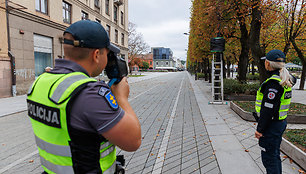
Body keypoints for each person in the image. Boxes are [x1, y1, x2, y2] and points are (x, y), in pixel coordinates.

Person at [27, 20, 141, 174]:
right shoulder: (89, 93)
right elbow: (133, 141)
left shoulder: (40, 83)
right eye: (107, 54)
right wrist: (121, 98)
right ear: (96, 55)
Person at [254, 50, 296, 174]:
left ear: (268, 64)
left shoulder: (273, 83)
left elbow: (267, 110)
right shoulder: (286, 79)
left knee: (269, 159)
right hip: (279, 123)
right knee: (274, 154)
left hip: (271, 126)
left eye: (265, 61)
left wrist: (259, 129)